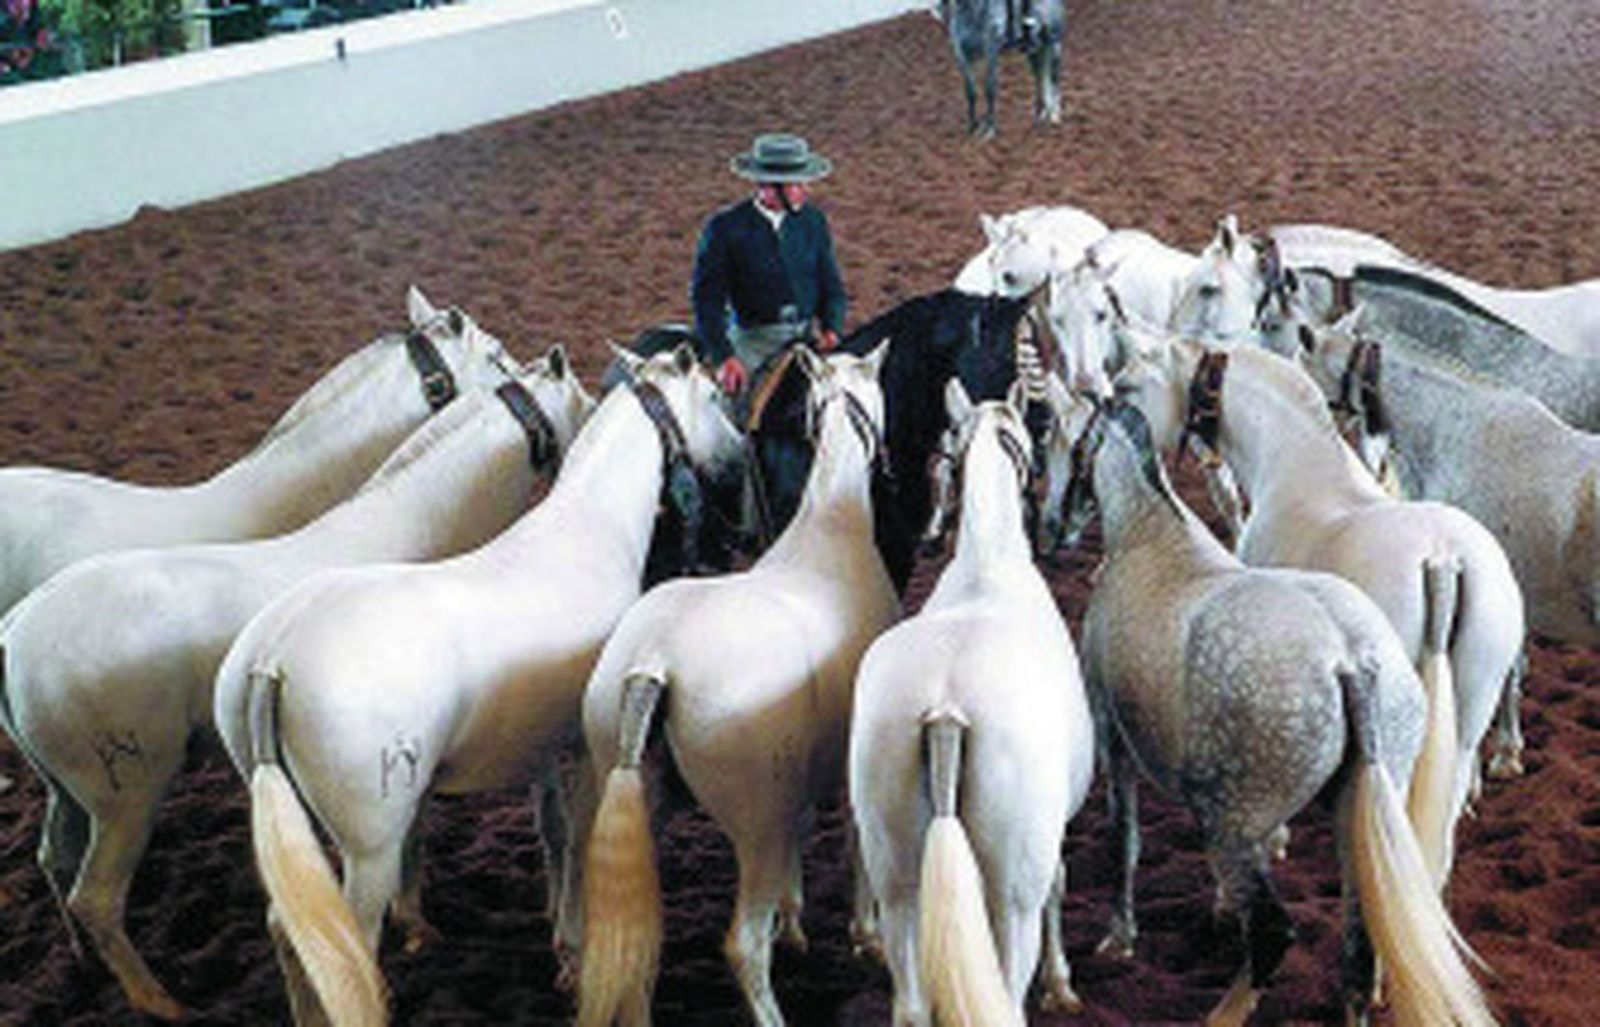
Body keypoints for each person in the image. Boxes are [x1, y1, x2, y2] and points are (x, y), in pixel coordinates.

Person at [691, 132, 848, 396]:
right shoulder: (726, 228)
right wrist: (724, 357)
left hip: (806, 338)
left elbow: (829, 281)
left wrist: (832, 326)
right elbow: (707, 300)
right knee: (735, 410)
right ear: (770, 186)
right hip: (753, 343)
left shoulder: (813, 221)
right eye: (796, 184)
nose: (805, 190)